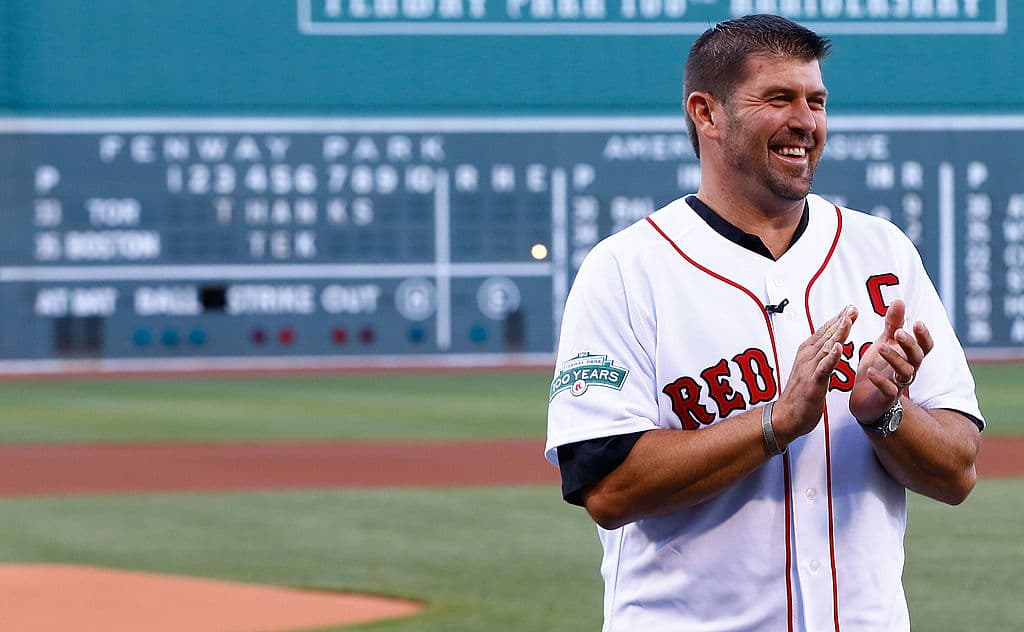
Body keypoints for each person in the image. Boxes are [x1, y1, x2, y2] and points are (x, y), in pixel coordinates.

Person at [545, 13, 984, 632]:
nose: (806, 120)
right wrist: (776, 422)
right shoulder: (626, 270)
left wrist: (886, 413)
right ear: (707, 113)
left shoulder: (882, 253)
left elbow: (959, 470)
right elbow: (609, 488)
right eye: (778, 98)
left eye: (817, 100)